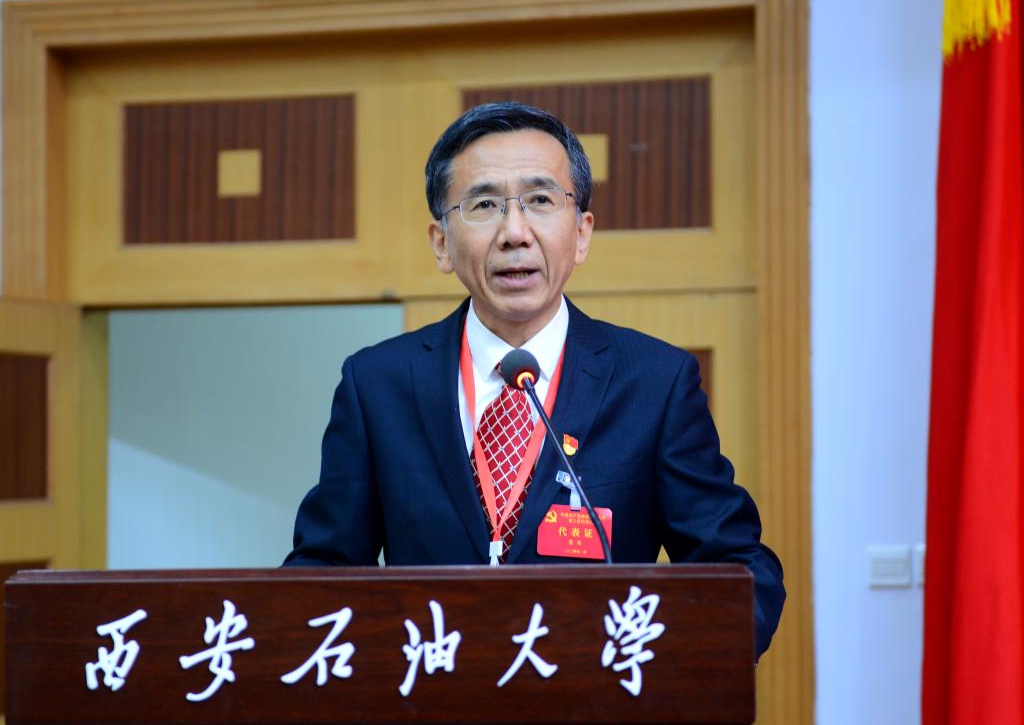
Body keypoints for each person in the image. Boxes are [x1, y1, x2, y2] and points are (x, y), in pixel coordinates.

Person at [284, 101, 785, 656]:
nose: (514, 232)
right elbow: (323, 569)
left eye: (541, 201)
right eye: (484, 205)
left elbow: (739, 569)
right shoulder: (378, 384)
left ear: (582, 233)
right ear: (441, 242)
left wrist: (666, 666)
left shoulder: (654, 382)